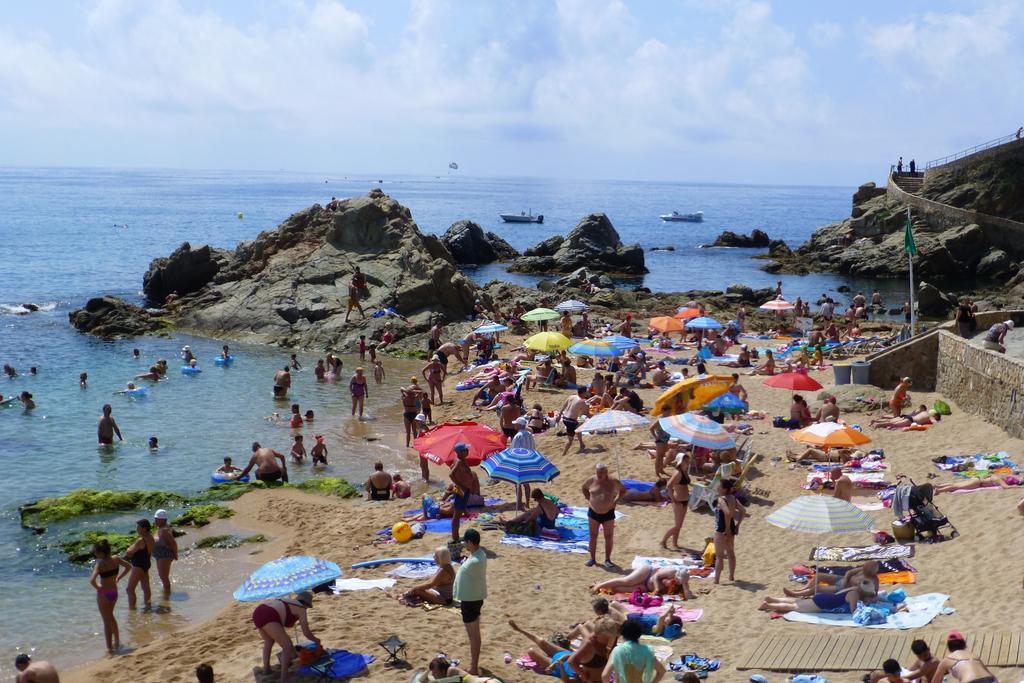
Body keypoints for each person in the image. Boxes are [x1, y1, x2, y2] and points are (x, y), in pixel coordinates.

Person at [251, 591, 320, 683]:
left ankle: (266, 669)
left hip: (258, 612)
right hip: (269, 615)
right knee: (287, 645)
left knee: (269, 641)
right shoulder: (301, 608)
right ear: (307, 604)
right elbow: (306, 632)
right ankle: (284, 678)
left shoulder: (288, 601)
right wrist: (316, 640)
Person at [453, 528, 487, 675]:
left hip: (471, 601)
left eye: (465, 542)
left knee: (473, 636)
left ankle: (474, 667)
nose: (464, 545)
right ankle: (474, 664)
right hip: (474, 598)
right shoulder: (478, 555)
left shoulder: (475, 560)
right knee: (475, 635)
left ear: (470, 543)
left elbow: (466, 568)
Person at [89, 538, 130, 653]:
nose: (95, 554)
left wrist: (99, 588)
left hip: (104, 594)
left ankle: (109, 648)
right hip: (113, 592)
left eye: (95, 552)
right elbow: (128, 567)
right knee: (111, 616)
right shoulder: (116, 559)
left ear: (101, 552)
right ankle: (117, 641)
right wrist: (118, 578)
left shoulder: (100, 564)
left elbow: (92, 580)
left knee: (106, 621)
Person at [582, 463, 627, 567]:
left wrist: (615, 501)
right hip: (593, 512)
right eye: (597, 472)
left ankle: (607, 559)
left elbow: (623, 490)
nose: (599, 474)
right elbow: (584, 488)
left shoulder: (613, 481)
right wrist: (589, 499)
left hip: (608, 513)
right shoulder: (591, 480)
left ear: (606, 472)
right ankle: (592, 559)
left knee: (608, 536)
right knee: (593, 536)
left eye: (601, 472)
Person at [507, 619, 578, 680]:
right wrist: (557, 662)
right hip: (563, 655)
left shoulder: (582, 677)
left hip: (557, 667)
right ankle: (519, 629)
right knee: (541, 641)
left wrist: (559, 666)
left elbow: (566, 680)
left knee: (531, 651)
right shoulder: (587, 664)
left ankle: (519, 630)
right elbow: (571, 655)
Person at [590, 562, 692, 599]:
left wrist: (684, 585)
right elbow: (657, 576)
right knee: (626, 581)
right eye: (678, 580)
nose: (677, 582)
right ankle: (599, 585)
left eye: (680, 582)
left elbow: (688, 596)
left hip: (647, 587)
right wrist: (656, 589)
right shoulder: (671, 572)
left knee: (619, 589)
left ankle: (604, 587)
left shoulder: (682, 583)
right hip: (648, 573)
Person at [931, 630, 997, 683]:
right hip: (991, 680)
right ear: (963, 644)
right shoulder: (973, 655)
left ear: (949, 646)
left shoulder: (948, 659)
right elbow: (992, 675)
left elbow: (935, 681)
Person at [867, 639, 937, 682]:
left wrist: (893, 678)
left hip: (914, 679)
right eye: (920, 656)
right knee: (876, 675)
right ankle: (870, 678)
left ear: (928, 649)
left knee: (883, 678)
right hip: (909, 676)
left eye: (924, 655)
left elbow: (911, 676)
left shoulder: (932, 662)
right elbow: (910, 669)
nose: (923, 658)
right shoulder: (922, 657)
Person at [713, 479, 741, 584]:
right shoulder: (733, 498)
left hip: (722, 530)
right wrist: (737, 526)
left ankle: (716, 580)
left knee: (719, 556)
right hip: (731, 528)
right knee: (731, 553)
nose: (716, 486)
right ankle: (731, 576)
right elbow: (743, 511)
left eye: (718, 485)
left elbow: (728, 513)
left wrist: (726, 529)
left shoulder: (721, 499)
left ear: (723, 489)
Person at [449, 443, 479, 542]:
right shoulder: (459, 462)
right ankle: (455, 537)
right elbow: (451, 474)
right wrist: (460, 485)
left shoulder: (461, 460)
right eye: (466, 449)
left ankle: (456, 536)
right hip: (461, 490)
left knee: (459, 512)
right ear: (460, 452)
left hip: (464, 489)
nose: (468, 451)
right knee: (457, 515)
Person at [662, 453, 691, 550]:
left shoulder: (684, 471)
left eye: (688, 460)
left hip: (684, 500)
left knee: (679, 525)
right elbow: (669, 486)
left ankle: (675, 544)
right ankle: (663, 540)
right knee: (677, 526)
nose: (687, 462)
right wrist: (673, 500)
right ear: (680, 461)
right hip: (678, 501)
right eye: (685, 461)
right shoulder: (678, 473)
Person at [124, 518, 155, 609]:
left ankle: (132, 610)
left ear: (144, 528)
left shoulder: (141, 540)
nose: (136, 529)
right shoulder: (151, 537)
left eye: (138, 527)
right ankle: (148, 605)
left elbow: (129, 553)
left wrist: (128, 548)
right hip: (146, 563)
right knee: (145, 587)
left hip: (138, 565)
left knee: (129, 589)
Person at [151, 509, 178, 597]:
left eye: (157, 519)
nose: (155, 521)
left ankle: (167, 596)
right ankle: (166, 592)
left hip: (165, 555)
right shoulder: (160, 528)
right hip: (159, 555)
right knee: (162, 576)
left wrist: (175, 554)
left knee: (163, 576)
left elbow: (173, 543)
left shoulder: (164, 530)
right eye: (155, 518)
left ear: (163, 519)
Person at [558, 387, 590, 456]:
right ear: (583, 393)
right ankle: (563, 454)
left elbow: (564, 406)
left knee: (578, 428)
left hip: (564, 418)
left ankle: (582, 444)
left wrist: (559, 416)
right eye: (587, 391)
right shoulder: (583, 401)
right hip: (571, 421)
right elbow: (586, 414)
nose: (588, 393)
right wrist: (594, 418)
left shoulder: (571, 396)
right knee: (570, 441)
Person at [933, 475, 1020, 494]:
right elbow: (1006, 487)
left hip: (977, 479)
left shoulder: (997, 476)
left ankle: (938, 486)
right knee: (956, 486)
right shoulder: (998, 480)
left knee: (955, 484)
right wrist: (1019, 487)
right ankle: (939, 490)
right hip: (977, 483)